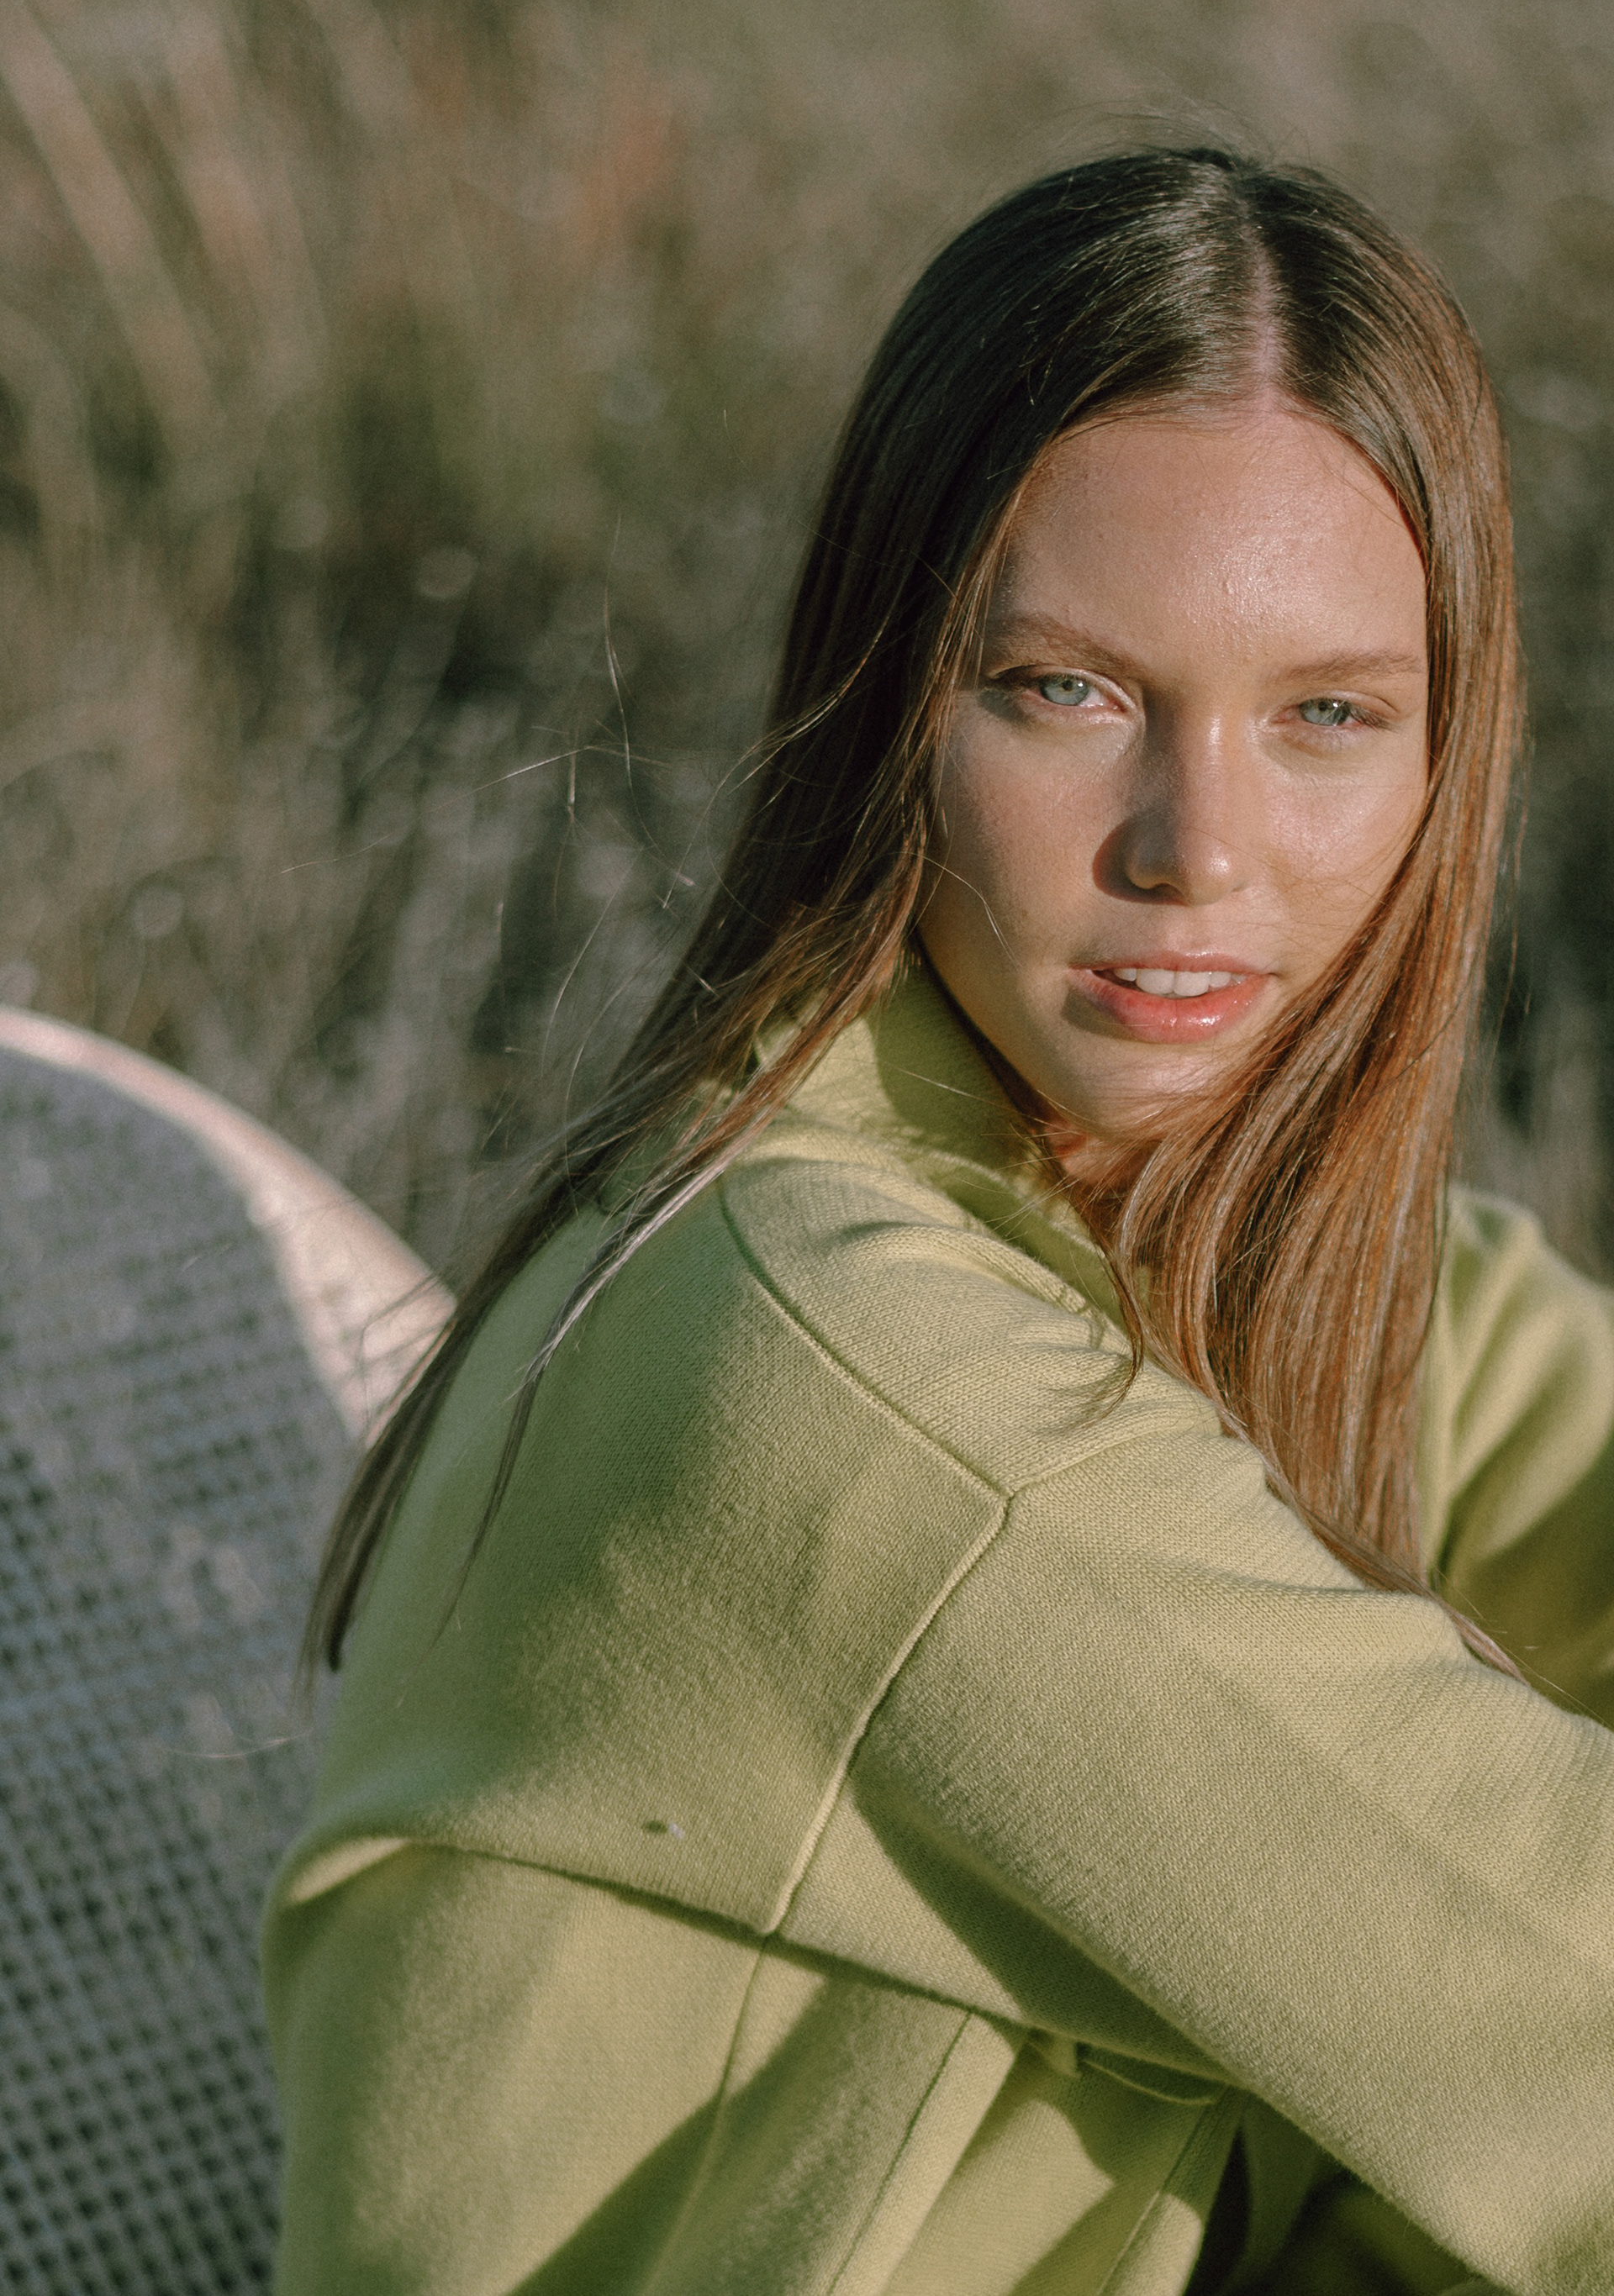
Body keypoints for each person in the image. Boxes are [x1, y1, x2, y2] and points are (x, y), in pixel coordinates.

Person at [261, 148, 1614, 2296]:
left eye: (1328, 715)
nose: (1197, 848)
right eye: (1070, 690)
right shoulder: (834, 1370)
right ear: (894, 695)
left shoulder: (1212, 1217)